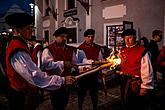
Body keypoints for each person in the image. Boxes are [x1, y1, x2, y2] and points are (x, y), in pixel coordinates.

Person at [5, 13, 76, 110]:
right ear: (18, 30)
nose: (32, 31)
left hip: (24, 92)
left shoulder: (20, 45)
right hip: (20, 95)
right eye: (28, 28)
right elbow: (34, 75)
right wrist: (62, 80)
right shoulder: (18, 49)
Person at [41, 27, 78, 110]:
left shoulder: (70, 49)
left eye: (66, 37)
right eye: (62, 36)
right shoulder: (48, 49)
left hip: (67, 82)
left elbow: (74, 62)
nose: (64, 39)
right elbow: (46, 65)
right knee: (56, 105)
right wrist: (63, 63)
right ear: (55, 37)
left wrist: (76, 67)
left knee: (64, 102)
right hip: (55, 82)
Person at [119, 29, 154, 110]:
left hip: (135, 83)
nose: (127, 40)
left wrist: (145, 86)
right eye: (125, 38)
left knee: (136, 105)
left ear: (135, 38)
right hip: (123, 81)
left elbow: (147, 70)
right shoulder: (123, 50)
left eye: (130, 38)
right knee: (125, 102)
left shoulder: (142, 51)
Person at [77, 29, 103, 110]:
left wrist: (102, 72)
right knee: (81, 94)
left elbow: (100, 59)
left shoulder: (98, 47)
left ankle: (95, 107)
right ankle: (80, 108)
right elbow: (78, 62)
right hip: (84, 75)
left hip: (94, 74)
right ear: (85, 37)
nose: (90, 38)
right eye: (88, 37)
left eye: (92, 36)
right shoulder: (80, 48)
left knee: (94, 94)